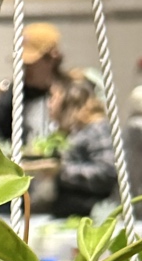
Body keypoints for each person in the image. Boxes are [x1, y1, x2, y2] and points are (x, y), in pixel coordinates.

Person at [25, 77, 117, 219]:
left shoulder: (96, 129)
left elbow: (107, 172)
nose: (48, 105)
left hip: (91, 216)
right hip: (67, 214)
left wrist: (61, 171)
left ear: (69, 101)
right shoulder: (71, 132)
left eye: (52, 98)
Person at [0, 21, 63, 146]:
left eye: (30, 64)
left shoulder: (70, 93)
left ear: (52, 58)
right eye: (22, 64)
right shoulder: (12, 96)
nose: (25, 70)